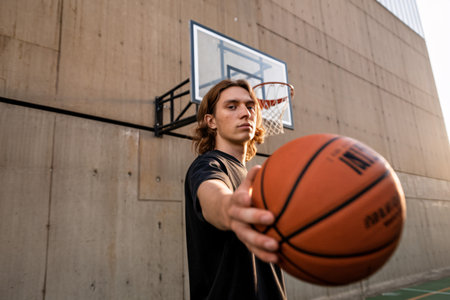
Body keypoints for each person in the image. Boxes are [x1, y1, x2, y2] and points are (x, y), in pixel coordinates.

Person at [184, 79, 287, 300]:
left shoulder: (254, 178)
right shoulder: (208, 165)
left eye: (250, 106)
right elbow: (213, 194)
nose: (245, 113)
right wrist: (230, 208)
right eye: (232, 106)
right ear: (211, 122)